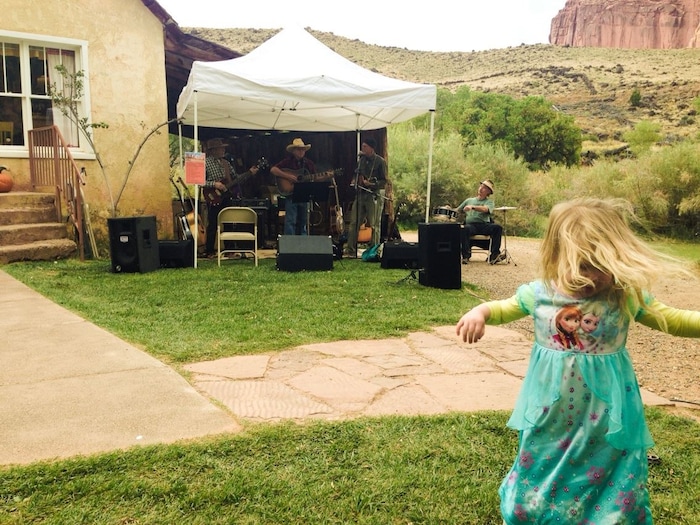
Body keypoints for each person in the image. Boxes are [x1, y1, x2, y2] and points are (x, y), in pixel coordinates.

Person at [455, 197, 700, 524]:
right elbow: (502, 307)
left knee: (612, 474)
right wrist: (480, 312)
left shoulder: (622, 296)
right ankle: (534, 511)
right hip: (551, 415)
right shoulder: (540, 294)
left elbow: (675, 319)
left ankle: (610, 516)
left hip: (607, 419)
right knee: (540, 466)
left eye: (600, 266)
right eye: (580, 265)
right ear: (557, 255)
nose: (590, 276)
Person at [202, 138, 259, 257]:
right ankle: (209, 251)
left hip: (226, 196)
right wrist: (215, 184)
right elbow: (199, 181)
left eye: (223, 148)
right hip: (213, 197)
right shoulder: (205, 163)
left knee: (228, 221)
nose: (223, 150)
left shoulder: (226, 163)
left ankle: (229, 250)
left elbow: (236, 178)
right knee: (212, 223)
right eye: (221, 148)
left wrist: (249, 173)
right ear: (213, 150)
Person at [345, 137, 388, 257]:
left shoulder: (380, 161)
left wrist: (372, 184)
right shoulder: (361, 161)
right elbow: (356, 173)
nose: (362, 149)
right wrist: (354, 181)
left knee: (374, 224)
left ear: (371, 148)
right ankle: (350, 249)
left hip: (374, 195)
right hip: (361, 194)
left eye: (364, 147)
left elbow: (384, 181)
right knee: (354, 222)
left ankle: (374, 250)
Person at [270, 138, 317, 235]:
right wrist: (288, 176)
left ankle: (302, 244)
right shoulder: (287, 162)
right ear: (294, 151)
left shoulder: (308, 164)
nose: (301, 151)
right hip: (291, 194)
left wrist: (325, 176)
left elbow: (315, 176)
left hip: (304, 195)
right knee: (290, 221)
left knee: (303, 222)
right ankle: (289, 243)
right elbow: (273, 170)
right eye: (299, 149)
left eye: (303, 149)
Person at [456, 179, 504, 264]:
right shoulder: (469, 200)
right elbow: (458, 210)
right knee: (464, 228)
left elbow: (486, 209)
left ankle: (494, 254)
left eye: (484, 188)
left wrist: (473, 207)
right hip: (471, 225)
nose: (481, 188)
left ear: (488, 192)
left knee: (498, 228)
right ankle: (465, 256)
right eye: (481, 186)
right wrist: (448, 209)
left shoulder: (489, 202)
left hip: (483, 225)